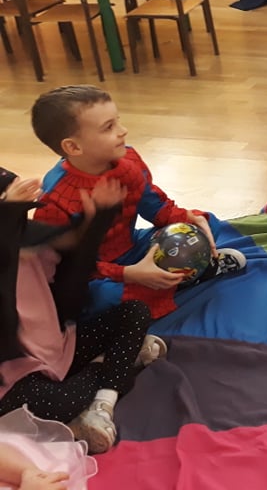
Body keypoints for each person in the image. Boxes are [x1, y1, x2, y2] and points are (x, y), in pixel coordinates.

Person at [29, 86, 247, 320]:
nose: (123, 131)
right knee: (101, 297)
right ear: (73, 147)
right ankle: (189, 278)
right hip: (96, 273)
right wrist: (129, 274)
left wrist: (187, 219)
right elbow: (67, 268)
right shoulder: (54, 200)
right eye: (109, 127)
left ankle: (167, 283)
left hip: (134, 246)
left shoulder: (128, 159)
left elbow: (154, 205)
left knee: (204, 224)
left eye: (118, 121)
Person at [0, 169, 164, 458]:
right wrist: (8, 216)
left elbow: (73, 276)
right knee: (60, 403)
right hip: (12, 375)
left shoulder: (31, 239)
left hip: (58, 348)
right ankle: (112, 366)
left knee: (135, 312)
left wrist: (98, 217)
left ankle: (104, 400)